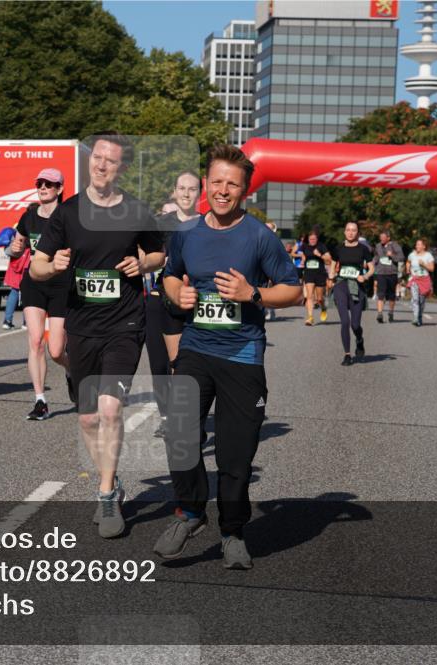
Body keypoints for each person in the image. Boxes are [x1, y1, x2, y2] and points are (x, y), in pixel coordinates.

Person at [153, 143, 301, 569]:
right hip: (196, 347)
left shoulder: (259, 236)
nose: (222, 190)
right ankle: (191, 512)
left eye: (232, 184)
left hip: (243, 356)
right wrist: (176, 294)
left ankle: (233, 531)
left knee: (236, 458)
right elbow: (170, 276)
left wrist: (252, 293)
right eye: (216, 182)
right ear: (205, 185)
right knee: (180, 432)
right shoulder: (187, 234)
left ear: (244, 191)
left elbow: (291, 289)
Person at [30, 131, 165, 539]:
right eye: (97, 159)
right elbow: (36, 266)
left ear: (121, 169)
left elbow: (159, 252)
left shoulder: (137, 210)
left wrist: (142, 265)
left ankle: (106, 493)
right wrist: (53, 267)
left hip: (125, 323)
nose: (102, 165)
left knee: (109, 410)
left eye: (111, 160)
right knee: (88, 418)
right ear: (90, 164)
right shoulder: (68, 213)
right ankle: (114, 480)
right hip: (81, 323)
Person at [7, 168, 73, 420]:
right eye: (40, 183)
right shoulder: (29, 215)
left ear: (59, 189)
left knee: (56, 351)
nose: (43, 187)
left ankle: (71, 372)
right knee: (35, 341)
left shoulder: (68, 216)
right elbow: (17, 245)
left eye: (49, 184)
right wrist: (14, 248)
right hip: (34, 282)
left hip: (60, 284)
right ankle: (40, 401)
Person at [145, 171, 200, 437]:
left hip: (192, 301)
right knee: (159, 365)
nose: (187, 193)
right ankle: (167, 415)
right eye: (182, 188)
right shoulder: (160, 223)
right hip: (158, 299)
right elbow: (144, 254)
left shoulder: (206, 224)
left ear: (199, 193)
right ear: (174, 192)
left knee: (181, 362)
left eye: (192, 188)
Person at [329, 221, 375, 366]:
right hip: (341, 285)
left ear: (358, 233)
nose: (350, 232)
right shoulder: (338, 248)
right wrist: (331, 276)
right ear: (344, 232)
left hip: (357, 287)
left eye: (353, 230)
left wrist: (365, 276)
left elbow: (371, 268)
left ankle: (359, 339)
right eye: (348, 230)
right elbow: (332, 264)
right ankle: (347, 354)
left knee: (355, 325)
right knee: (345, 321)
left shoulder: (363, 249)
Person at [299, 229, 331, 325]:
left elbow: (329, 260)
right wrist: (303, 261)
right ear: (308, 239)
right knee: (309, 296)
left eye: (314, 239)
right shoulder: (305, 246)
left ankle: (323, 308)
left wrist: (319, 255)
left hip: (320, 274)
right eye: (310, 239)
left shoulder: (321, 246)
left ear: (317, 239)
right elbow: (304, 255)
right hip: (308, 274)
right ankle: (310, 317)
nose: (312, 241)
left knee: (320, 299)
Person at [373, 229, 404, 323]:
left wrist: (392, 255)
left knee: (391, 295)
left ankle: (391, 312)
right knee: (380, 294)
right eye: (380, 238)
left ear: (388, 238)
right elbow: (376, 257)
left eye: (383, 238)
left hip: (392, 274)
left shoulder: (395, 246)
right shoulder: (378, 246)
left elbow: (402, 257)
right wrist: (372, 262)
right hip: (381, 273)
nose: (381, 239)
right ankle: (380, 314)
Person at [406, 238, 435, 327]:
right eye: (416, 244)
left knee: (421, 301)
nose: (416, 246)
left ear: (424, 246)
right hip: (414, 279)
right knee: (415, 299)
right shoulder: (412, 255)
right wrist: (407, 269)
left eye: (418, 244)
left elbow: (432, 268)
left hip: (424, 280)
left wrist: (424, 265)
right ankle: (415, 317)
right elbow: (408, 262)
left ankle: (419, 316)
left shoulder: (428, 256)